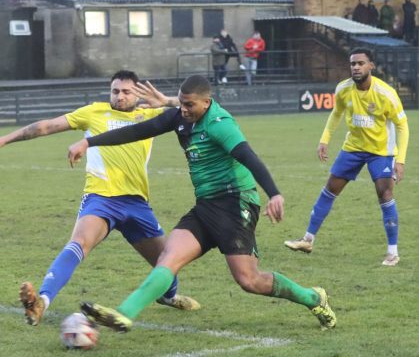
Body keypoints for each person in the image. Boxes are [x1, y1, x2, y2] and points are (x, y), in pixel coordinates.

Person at [68, 75, 336, 333]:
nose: (182, 109)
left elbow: (248, 156)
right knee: (168, 258)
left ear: (206, 103)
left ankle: (314, 298)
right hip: (206, 206)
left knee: (249, 280)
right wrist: (88, 141)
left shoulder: (220, 123)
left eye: (189, 104)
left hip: (236, 203)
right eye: (181, 103)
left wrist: (274, 193)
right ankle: (124, 314)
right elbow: (138, 131)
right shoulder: (180, 117)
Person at [0, 70, 200, 327]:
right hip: (101, 199)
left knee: (167, 262)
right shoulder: (94, 112)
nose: (120, 97)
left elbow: (199, 107)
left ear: (138, 93)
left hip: (136, 203)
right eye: (115, 91)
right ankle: (41, 302)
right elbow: (46, 126)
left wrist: (168, 101)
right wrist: (0, 141)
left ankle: (168, 297)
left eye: (126, 92)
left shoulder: (150, 114)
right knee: (78, 243)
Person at [284, 47, 409, 267]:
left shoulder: (385, 93)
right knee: (331, 187)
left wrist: (400, 160)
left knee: (385, 193)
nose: (356, 67)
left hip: (381, 151)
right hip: (353, 148)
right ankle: (307, 240)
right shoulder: (343, 89)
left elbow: (402, 125)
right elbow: (336, 113)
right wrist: (325, 139)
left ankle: (392, 252)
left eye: (361, 63)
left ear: (371, 66)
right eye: (353, 64)